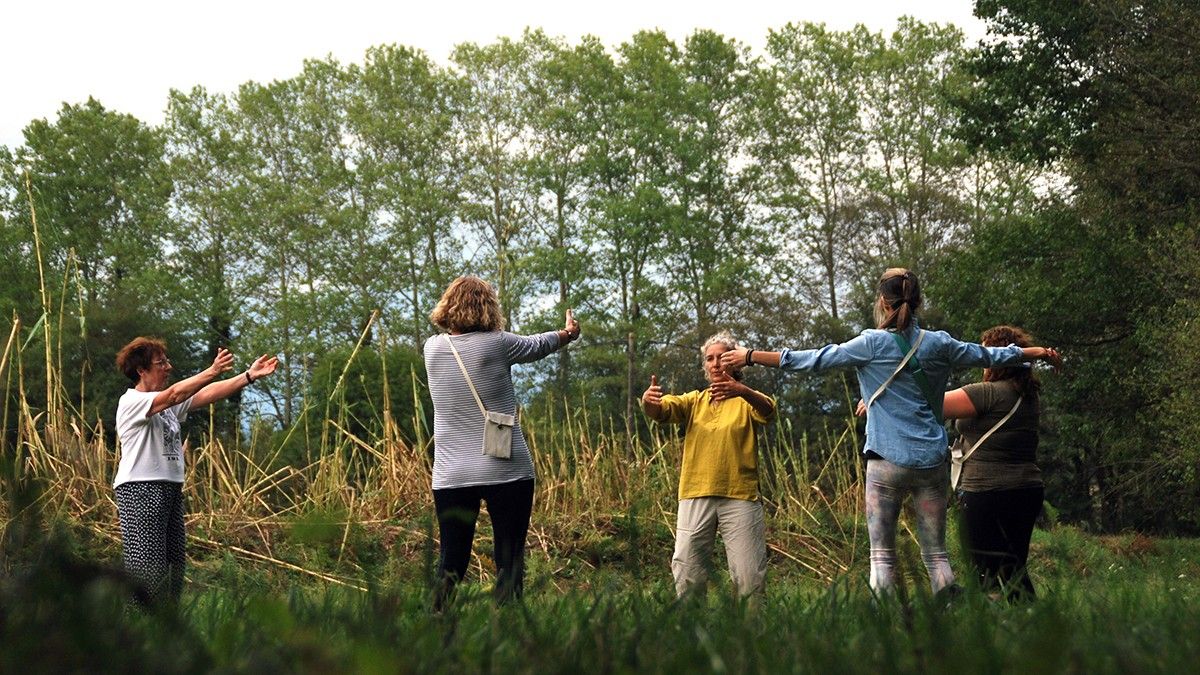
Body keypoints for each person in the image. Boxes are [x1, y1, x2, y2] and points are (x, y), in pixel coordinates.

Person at [720, 268, 1061, 598]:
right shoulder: (939, 343)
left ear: (883, 302)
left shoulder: (871, 343)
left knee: (882, 555)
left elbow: (813, 360)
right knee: (936, 554)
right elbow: (988, 354)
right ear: (918, 303)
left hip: (886, 462)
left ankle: (883, 621)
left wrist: (750, 356)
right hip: (930, 462)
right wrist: (1036, 353)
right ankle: (947, 604)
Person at [423, 275, 580, 609]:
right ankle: (506, 623)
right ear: (487, 307)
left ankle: (436, 618)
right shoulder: (499, 343)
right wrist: (568, 333)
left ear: (447, 305)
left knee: (452, 556)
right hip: (507, 470)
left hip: (451, 475)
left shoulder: (432, 348)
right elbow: (541, 344)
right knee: (509, 555)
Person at [114, 338, 278, 606]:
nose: (168, 366)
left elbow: (205, 394)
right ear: (141, 371)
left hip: (169, 489)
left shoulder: (166, 405)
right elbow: (176, 394)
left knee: (173, 569)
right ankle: (134, 633)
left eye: (166, 361)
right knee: (147, 573)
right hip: (140, 490)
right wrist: (212, 370)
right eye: (160, 363)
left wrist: (248, 376)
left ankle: (165, 629)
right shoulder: (132, 402)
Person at [642, 331, 776, 599]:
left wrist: (743, 391)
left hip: (740, 496)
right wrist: (649, 402)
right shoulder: (695, 401)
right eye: (709, 359)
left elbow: (768, 410)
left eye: (721, 357)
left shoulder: (746, 400)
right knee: (687, 571)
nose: (715, 364)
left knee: (748, 575)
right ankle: (692, 633)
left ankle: (749, 637)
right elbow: (662, 411)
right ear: (705, 366)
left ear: (734, 362)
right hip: (695, 494)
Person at [942, 325, 1046, 602]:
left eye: (984, 352)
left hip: (986, 493)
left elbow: (929, 404)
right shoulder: (1028, 396)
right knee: (1011, 569)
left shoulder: (987, 393)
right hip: (1027, 490)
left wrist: (880, 400)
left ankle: (1021, 622)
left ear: (998, 359)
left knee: (987, 571)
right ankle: (1026, 624)